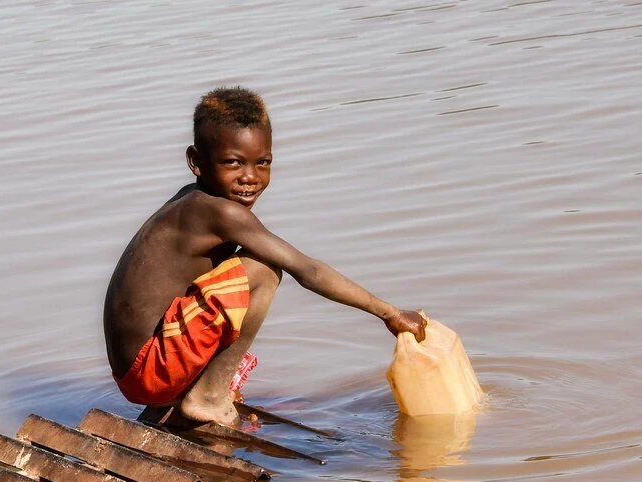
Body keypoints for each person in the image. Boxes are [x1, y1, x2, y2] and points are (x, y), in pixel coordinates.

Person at [103, 87, 426, 425]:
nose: (250, 178)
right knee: (264, 268)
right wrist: (388, 312)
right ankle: (209, 398)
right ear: (196, 162)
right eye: (233, 162)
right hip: (151, 370)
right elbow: (308, 270)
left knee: (236, 270)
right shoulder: (220, 213)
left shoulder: (193, 202)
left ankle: (188, 393)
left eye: (263, 163)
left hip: (138, 373)